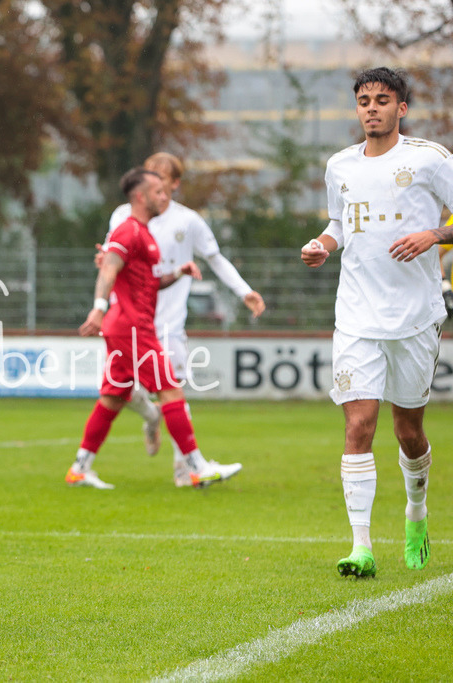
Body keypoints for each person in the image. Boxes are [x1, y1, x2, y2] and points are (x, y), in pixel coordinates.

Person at [301, 66, 453, 578]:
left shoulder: (429, 159)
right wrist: (323, 244)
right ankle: (360, 546)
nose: (372, 108)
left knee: (408, 431)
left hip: (415, 317)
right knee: (358, 424)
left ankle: (417, 510)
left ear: (401, 109)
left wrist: (435, 235)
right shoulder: (340, 165)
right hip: (357, 314)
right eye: (364, 100)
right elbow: (340, 223)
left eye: (382, 100)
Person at [67, 167, 242, 490]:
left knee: (112, 398)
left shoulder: (144, 234)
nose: (165, 197)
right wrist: (98, 307)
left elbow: (148, 282)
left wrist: (179, 272)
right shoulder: (128, 231)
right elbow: (108, 269)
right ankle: (197, 468)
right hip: (132, 328)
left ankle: (80, 468)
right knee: (171, 390)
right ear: (140, 196)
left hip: (128, 327)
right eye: (158, 192)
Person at [102, 153, 263, 487]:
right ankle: (152, 418)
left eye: (161, 177)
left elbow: (215, 258)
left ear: (174, 183)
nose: (153, 182)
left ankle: (184, 471)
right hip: (127, 322)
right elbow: (109, 259)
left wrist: (243, 291)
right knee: (122, 392)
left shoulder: (188, 221)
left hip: (167, 326)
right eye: (149, 174)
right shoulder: (123, 215)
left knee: (173, 391)